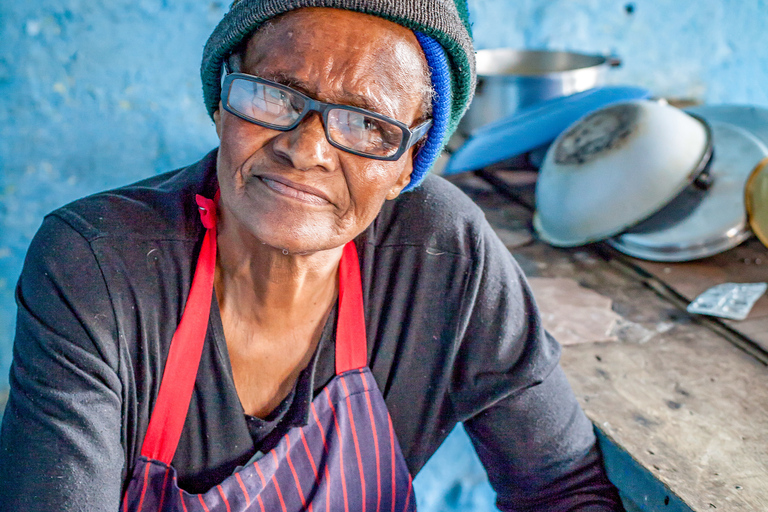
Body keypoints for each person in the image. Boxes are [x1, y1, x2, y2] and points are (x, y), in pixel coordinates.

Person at [0, 0, 624, 510]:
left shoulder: (442, 255)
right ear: (222, 101)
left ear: (410, 162)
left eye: (367, 125)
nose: (307, 148)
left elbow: (562, 488)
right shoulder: (99, 264)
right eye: (274, 94)